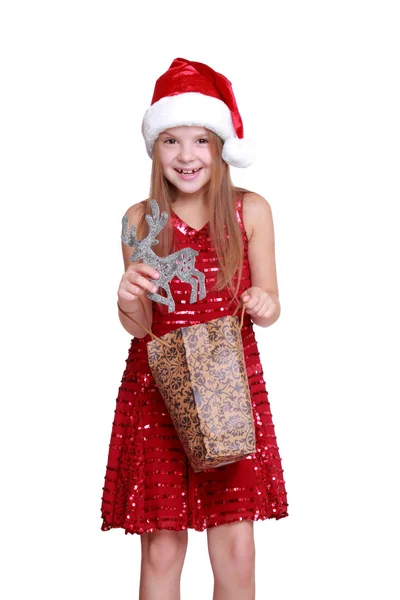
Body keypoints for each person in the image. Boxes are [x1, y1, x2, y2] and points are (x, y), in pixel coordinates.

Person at [100, 57, 289, 600]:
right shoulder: (141, 220)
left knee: (236, 543)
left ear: (221, 148)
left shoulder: (250, 210)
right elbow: (139, 329)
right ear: (155, 150)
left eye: (201, 141)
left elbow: (273, 302)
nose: (186, 156)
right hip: (157, 391)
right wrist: (126, 297)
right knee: (162, 545)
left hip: (228, 386)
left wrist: (261, 301)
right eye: (171, 142)